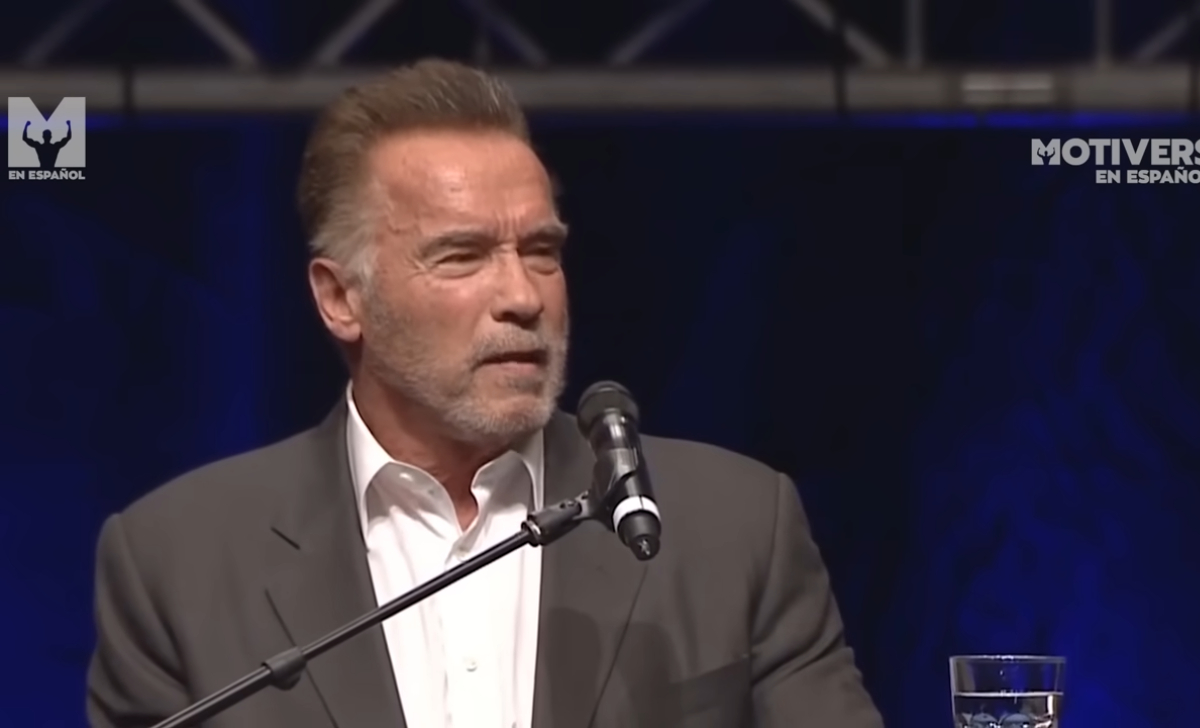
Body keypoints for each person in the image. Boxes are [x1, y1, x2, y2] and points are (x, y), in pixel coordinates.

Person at [85, 59, 885, 728]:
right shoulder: (177, 562)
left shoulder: (735, 529)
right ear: (341, 298)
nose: (524, 296)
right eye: (462, 256)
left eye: (541, 251)